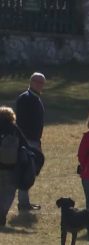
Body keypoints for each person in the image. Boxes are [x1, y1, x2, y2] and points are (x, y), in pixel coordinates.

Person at [15, 72, 46, 211]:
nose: (39, 85)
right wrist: (26, 141)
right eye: (37, 81)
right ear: (31, 82)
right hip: (26, 141)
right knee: (26, 172)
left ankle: (25, 201)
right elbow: (21, 122)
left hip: (34, 140)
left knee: (30, 172)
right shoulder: (25, 98)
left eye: (42, 82)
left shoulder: (36, 98)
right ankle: (23, 203)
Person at [0, 106, 28, 226]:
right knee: (9, 193)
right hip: (11, 167)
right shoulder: (14, 129)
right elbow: (24, 144)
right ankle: (2, 215)